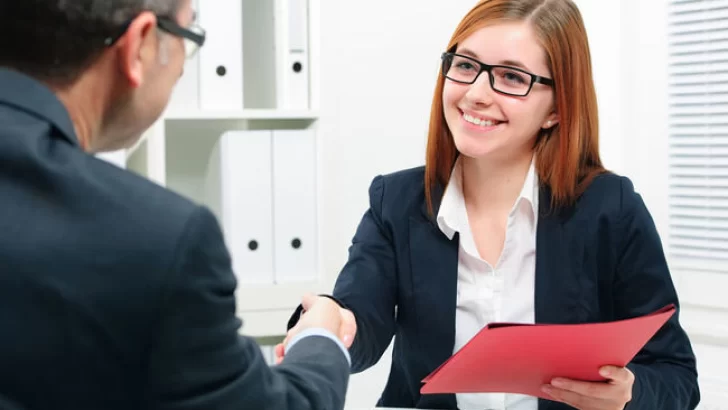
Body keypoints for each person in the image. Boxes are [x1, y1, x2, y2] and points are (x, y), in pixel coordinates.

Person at [281, 0, 700, 409]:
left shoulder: (611, 209)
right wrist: (337, 324)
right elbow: (360, 320)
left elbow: (675, 373)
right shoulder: (397, 202)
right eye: (465, 66)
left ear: (556, 108)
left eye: (512, 77)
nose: (477, 93)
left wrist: (629, 395)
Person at [0, 1, 355, 409]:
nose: (184, 68)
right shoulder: (157, 240)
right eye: (190, 38)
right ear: (141, 45)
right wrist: (320, 338)